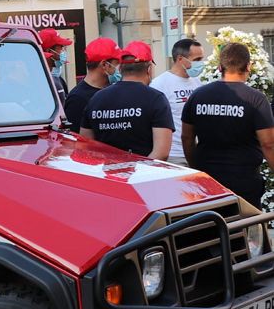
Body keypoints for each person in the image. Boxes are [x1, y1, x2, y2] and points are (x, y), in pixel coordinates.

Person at [182, 42, 274, 209]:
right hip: (244, 179)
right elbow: (268, 144)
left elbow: (187, 137)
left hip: (208, 181)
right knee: (246, 228)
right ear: (248, 66)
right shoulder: (256, 99)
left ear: (219, 67)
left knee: (211, 227)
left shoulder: (198, 95)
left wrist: (195, 166)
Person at [80, 41, 173, 160]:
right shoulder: (156, 99)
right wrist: (139, 174)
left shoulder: (96, 98)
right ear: (149, 69)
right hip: (143, 175)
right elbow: (162, 152)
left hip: (107, 174)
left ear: (121, 68)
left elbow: (86, 146)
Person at [150, 38, 205, 166]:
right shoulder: (159, 85)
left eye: (201, 59)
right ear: (180, 59)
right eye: (197, 60)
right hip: (174, 156)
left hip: (195, 152)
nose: (201, 64)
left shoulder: (198, 82)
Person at [65, 37, 121, 131]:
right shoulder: (77, 99)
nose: (120, 68)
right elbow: (75, 139)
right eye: (117, 63)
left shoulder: (113, 91)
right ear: (104, 65)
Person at [39, 28, 73, 102]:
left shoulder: (60, 80)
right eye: (61, 48)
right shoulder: (40, 82)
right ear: (48, 51)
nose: (63, 51)